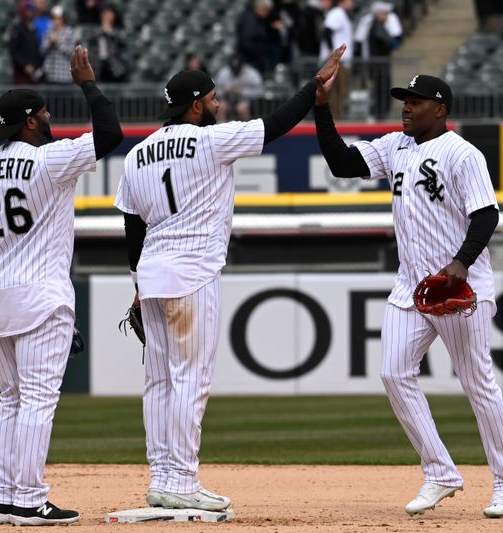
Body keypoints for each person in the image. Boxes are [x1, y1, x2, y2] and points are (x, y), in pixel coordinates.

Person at [114, 45, 346, 513]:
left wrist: (138, 283)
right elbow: (277, 124)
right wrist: (313, 87)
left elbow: (132, 225)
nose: (219, 105)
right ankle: (181, 479)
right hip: (194, 271)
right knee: (190, 380)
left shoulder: (137, 155)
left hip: (154, 273)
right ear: (196, 104)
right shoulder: (212, 140)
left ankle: (162, 477)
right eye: (214, 99)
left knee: (159, 381)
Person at [313, 73, 503, 518]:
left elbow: (486, 215)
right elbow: (341, 163)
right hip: (410, 287)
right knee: (393, 373)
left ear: (441, 109)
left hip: (459, 288)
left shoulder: (462, 154)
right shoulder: (394, 146)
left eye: (416, 101)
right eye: (404, 101)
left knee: (477, 382)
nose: (406, 108)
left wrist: (461, 263)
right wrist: (320, 106)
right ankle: (440, 472)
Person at [0, 45, 123, 526]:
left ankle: (3, 495)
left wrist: (5, 264)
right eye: (44, 112)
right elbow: (110, 133)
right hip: (42, 293)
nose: (49, 118)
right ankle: (29, 499)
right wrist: (89, 84)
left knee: (10, 399)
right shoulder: (49, 159)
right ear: (30, 120)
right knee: (37, 399)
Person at [354, 1, 402, 119]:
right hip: (379, 65)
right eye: (384, 13)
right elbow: (388, 42)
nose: (386, 16)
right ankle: (379, 113)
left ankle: (380, 113)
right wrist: (393, 45)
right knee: (381, 89)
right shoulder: (377, 26)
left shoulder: (377, 26)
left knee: (381, 88)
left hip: (379, 63)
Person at [319, 0, 354, 119]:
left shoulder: (340, 13)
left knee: (339, 91)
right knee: (336, 91)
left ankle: (337, 116)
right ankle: (335, 117)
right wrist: (331, 52)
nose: (352, 3)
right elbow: (326, 31)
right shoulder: (337, 12)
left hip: (340, 60)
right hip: (337, 60)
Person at [214, 55, 264, 121]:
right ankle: (222, 129)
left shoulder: (252, 73)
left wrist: (243, 91)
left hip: (244, 100)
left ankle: (245, 130)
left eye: (238, 68)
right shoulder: (223, 73)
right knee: (221, 107)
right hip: (227, 100)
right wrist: (224, 91)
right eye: (233, 68)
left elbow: (260, 91)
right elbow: (215, 89)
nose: (236, 70)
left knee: (242, 108)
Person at [9, 0, 43, 83]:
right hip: (22, 73)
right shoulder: (18, 29)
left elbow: (37, 50)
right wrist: (25, 65)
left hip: (34, 72)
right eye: (29, 10)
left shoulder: (34, 29)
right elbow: (14, 51)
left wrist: (35, 65)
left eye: (32, 10)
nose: (31, 12)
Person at [41, 5, 77, 84]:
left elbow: (71, 53)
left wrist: (58, 43)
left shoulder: (69, 32)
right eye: (54, 18)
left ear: (63, 18)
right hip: (50, 75)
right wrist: (50, 43)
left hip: (65, 76)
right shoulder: (49, 31)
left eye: (58, 18)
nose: (56, 21)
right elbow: (42, 51)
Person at [93, 4, 128, 82]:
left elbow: (123, 42)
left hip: (115, 67)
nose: (106, 16)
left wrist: (110, 32)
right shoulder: (96, 31)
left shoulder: (118, 31)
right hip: (99, 66)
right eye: (104, 14)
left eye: (109, 14)